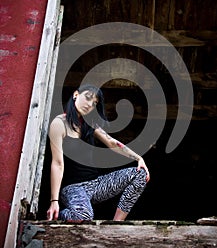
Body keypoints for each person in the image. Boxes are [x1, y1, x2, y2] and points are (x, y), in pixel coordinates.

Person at [47, 83, 150, 222]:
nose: (90, 104)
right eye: (87, 98)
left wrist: (138, 158)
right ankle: (59, 215)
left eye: (94, 103)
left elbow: (112, 142)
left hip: (96, 185)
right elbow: (57, 164)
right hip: (73, 188)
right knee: (84, 216)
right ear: (75, 94)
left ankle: (116, 224)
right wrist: (54, 201)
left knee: (140, 175)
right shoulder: (59, 124)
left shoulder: (89, 123)